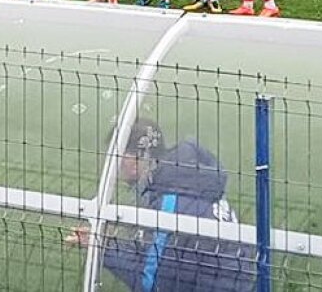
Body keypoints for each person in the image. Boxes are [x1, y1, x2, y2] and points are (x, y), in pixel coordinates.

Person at [65, 118, 255, 290]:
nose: (114, 164)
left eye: (118, 155)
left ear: (139, 156)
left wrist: (102, 247)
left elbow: (151, 283)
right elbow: (153, 256)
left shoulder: (170, 201)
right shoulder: (186, 180)